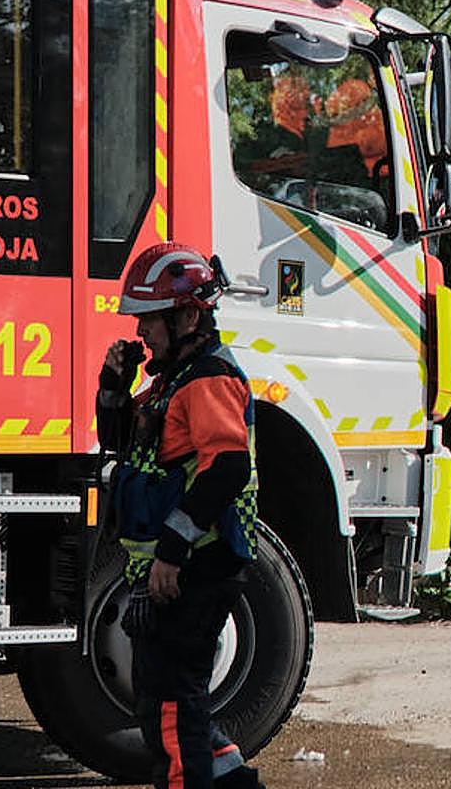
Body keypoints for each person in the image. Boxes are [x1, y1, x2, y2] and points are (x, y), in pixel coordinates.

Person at [97, 242, 262, 789]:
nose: (142, 333)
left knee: (170, 710)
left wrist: (171, 552)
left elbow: (227, 470)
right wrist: (113, 393)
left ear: (188, 315)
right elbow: (129, 451)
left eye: (151, 321)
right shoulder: (172, 381)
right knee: (172, 703)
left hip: (197, 566)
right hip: (177, 569)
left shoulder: (208, 378)